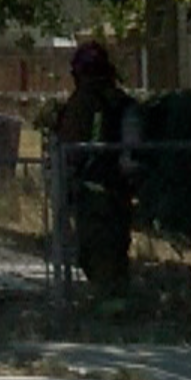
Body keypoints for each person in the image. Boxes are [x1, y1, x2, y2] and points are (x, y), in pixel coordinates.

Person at [55, 40, 137, 291]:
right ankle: (115, 302)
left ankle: (109, 307)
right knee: (116, 249)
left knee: (94, 251)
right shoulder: (124, 103)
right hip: (120, 190)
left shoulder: (83, 102)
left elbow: (71, 141)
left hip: (92, 190)